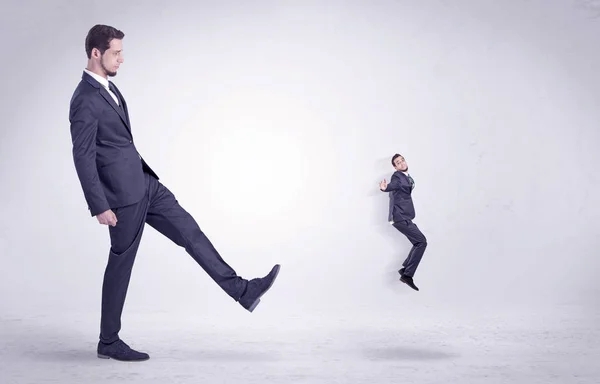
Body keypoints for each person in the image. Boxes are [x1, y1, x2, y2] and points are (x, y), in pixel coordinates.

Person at [69, 24, 280, 362]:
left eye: (122, 52)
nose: (122, 58)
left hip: (146, 183)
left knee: (190, 232)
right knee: (121, 265)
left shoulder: (110, 89)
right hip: (123, 198)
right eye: (116, 53)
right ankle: (108, 340)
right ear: (96, 53)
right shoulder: (84, 100)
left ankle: (243, 290)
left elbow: (119, 143)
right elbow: (82, 155)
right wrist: (99, 205)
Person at [379, 154, 427, 291]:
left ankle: (406, 269)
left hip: (405, 216)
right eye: (398, 163)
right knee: (422, 242)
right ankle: (407, 274)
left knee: (418, 242)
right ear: (395, 167)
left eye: (402, 160)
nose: (401, 163)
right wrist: (384, 187)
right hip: (399, 217)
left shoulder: (406, 176)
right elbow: (392, 185)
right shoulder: (397, 177)